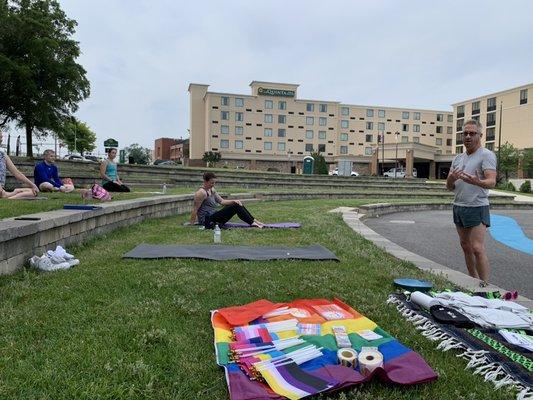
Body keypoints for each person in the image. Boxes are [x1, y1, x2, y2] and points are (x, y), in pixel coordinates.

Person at [446, 119, 497, 286]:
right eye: (465, 133)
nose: (468, 136)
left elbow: (491, 181)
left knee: (477, 248)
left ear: (480, 135)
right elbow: (449, 187)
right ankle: (473, 282)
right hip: (459, 206)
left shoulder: (486, 155)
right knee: (465, 246)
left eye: (472, 133)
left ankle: (486, 286)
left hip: (477, 206)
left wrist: (478, 182)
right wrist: (451, 179)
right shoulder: (458, 158)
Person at [188, 171, 264, 228]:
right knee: (235, 206)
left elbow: (221, 201)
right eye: (212, 183)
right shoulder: (201, 193)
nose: (213, 185)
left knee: (237, 204)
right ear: (205, 181)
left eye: (214, 183)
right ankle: (253, 223)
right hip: (207, 221)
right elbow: (195, 209)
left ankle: (254, 221)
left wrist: (234, 201)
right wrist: (191, 224)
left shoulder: (212, 190)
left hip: (214, 217)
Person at [0, 135, 39, 199]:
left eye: (1, 137)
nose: (1, 139)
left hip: (1, 189)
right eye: (0, 136)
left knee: (33, 191)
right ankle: (11, 195)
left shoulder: (3, 155)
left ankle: (11, 195)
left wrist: (33, 185)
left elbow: (17, 173)